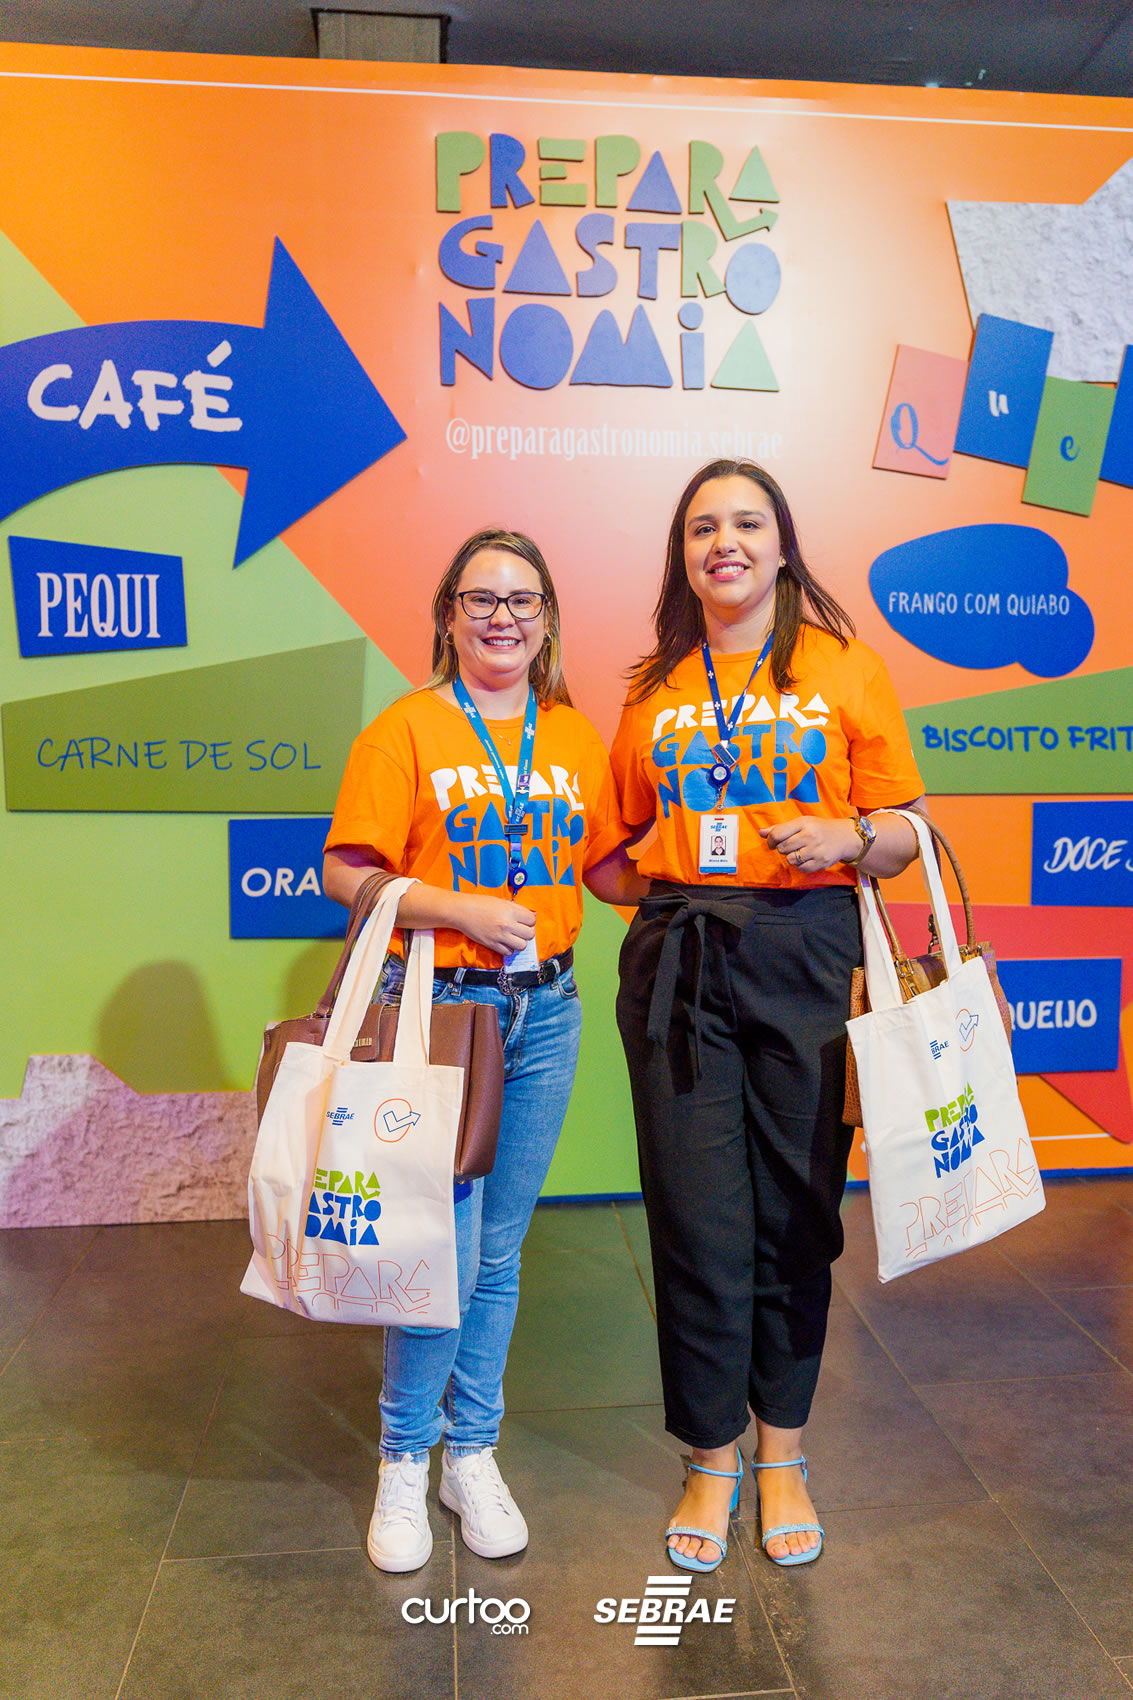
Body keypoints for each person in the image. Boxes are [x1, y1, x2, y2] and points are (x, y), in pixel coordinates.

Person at [610, 460, 926, 1573]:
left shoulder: (844, 666)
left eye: (746, 523)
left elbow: (904, 829)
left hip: (808, 951)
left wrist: (851, 837)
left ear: (783, 544)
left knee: (797, 1214)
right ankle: (711, 1457)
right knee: (695, 1220)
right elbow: (616, 847)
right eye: (702, 527)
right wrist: (660, 885)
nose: (724, 543)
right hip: (681, 956)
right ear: (682, 553)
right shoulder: (653, 686)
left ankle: (782, 1451)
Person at [323, 527, 644, 1574]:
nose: (502, 616)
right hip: (441, 1013)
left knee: (498, 1250)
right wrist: (458, 907)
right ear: (448, 616)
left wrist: (707, 864)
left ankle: (471, 1451)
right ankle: (402, 1458)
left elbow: (605, 868)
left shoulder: (572, 737)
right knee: (441, 1252)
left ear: (547, 618)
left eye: (521, 599)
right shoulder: (405, 729)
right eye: (480, 598)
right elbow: (345, 872)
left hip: (545, 1014)